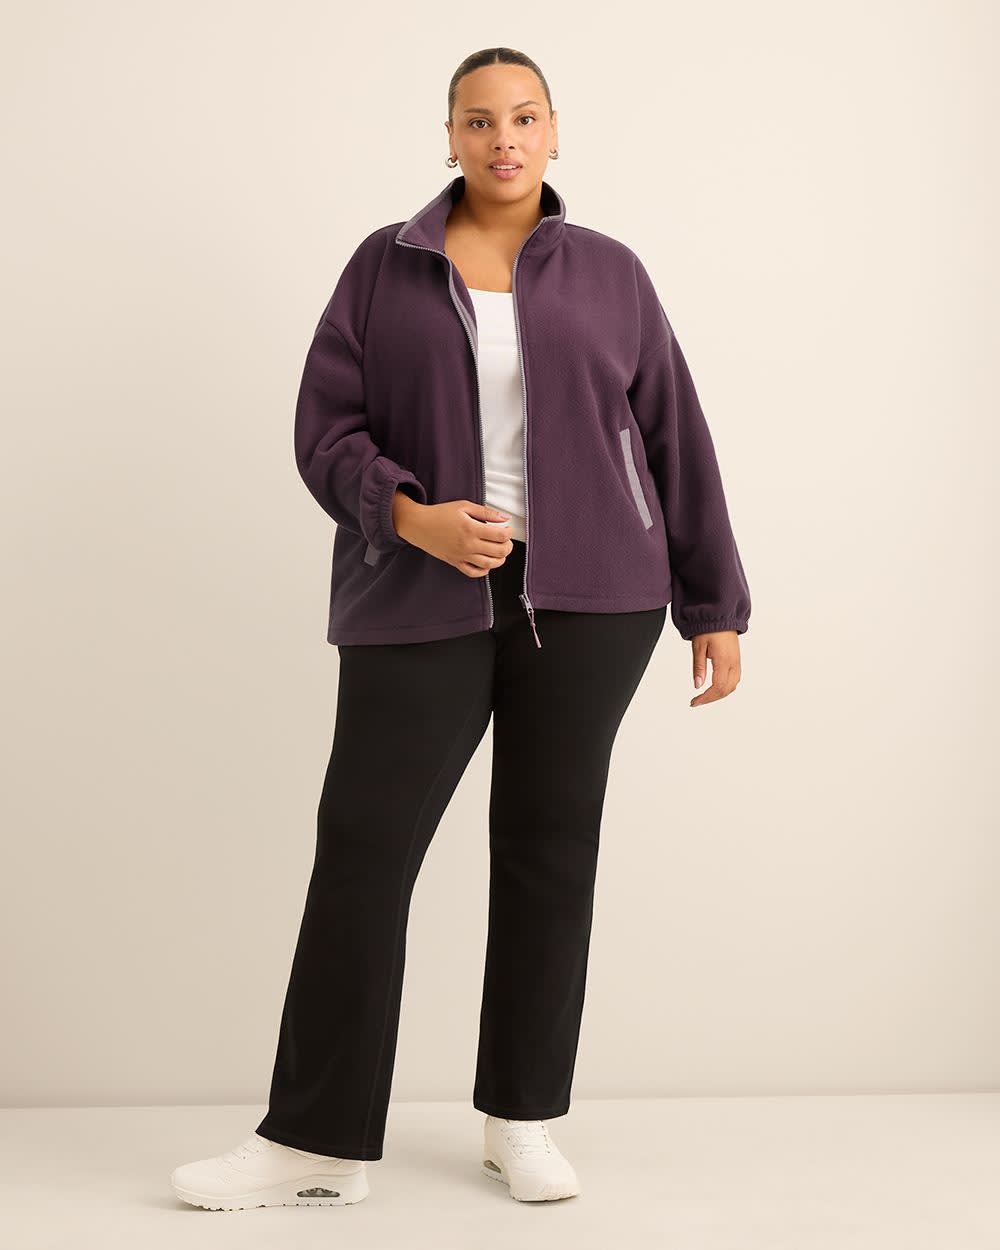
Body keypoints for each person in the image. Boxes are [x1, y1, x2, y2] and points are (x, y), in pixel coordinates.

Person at [171, 46, 751, 1211]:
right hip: (416, 589)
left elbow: (672, 433)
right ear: (449, 137)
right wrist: (410, 516)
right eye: (479, 121)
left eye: (523, 118)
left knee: (549, 848)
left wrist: (714, 602)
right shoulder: (383, 267)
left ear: (553, 131)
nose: (503, 139)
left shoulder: (610, 274)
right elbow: (324, 428)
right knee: (363, 848)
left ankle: (521, 1118)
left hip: (592, 600)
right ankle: (316, 1140)